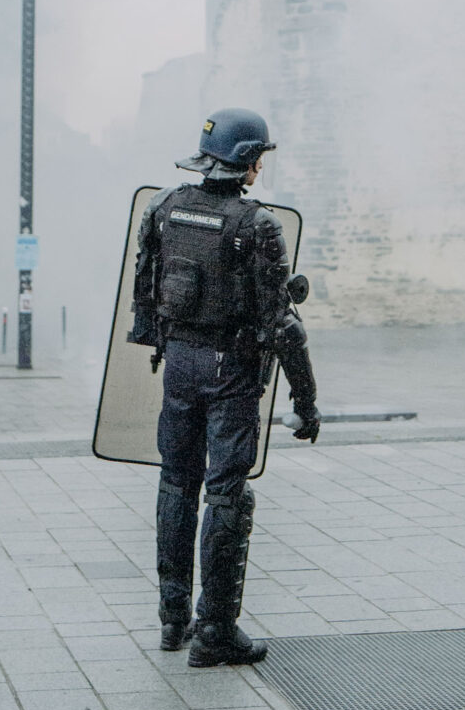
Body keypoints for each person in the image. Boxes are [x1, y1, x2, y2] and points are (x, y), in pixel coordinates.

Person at [129, 108, 322, 668]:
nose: (262, 164)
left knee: (175, 484)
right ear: (246, 161)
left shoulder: (164, 207)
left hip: (180, 367)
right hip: (231, 374)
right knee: (225, 494)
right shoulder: (256, 225)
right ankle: (215, 630)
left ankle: (172, 619)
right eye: (260, 155)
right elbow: (282, 324)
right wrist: (305, 404)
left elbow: (144, 296)